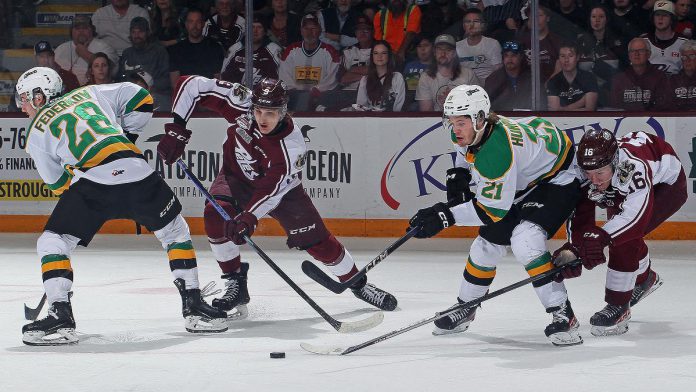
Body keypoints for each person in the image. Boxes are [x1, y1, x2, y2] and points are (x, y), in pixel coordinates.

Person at [16, 67, 227, 346]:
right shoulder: (89, 92)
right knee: (175, 231)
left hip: (93, 185)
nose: (22, 108)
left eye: (24, 99)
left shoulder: (36, 130)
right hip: (137, 171)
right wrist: (127, 137)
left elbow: (58, 184)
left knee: (53, 242)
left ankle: (60, 315)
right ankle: (194, 306)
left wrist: (78, 182)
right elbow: (141, 98)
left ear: (40, 96)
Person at [156, 76, 398, 318]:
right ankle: (235, 283)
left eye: (270, 113)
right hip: (235, 177)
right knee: (214, 214)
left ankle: (358, 284)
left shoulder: (291, 147)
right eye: (259, 111)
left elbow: (270, 191)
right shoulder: (240, 102)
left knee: (319, 243)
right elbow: (191, 84)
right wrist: (177, 129)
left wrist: (248, 217)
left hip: (283, 193)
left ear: (283, 112)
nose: (262, 118)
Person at [407, 84, 583, 346]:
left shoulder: (497, 151)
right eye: (451, 122)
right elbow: (463, 150)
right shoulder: (475, 131)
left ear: (479, 118)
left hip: (559, 178)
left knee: (526, 240)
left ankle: (563, 313)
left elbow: (491, 211)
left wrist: (444, 216)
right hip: (528, 175)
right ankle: (466, 306)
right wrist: (460, 174)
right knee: (484, 247)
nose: (455, 129)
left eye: (462, 122)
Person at [553, 128, 687, 336]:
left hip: (667, 186)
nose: (594, 180)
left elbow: (634, 218)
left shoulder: (632, 168)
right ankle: (644, 279)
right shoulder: (585, 169)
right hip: (623, 186)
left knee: (624, 237)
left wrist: (603, 238)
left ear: (615, 163)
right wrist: (575, 248)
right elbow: (580, 211)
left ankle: (619, 306)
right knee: (619, 232)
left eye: (600, 173)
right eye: (589, 173)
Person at [278, 13, 341, 111]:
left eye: (313, 28)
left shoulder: (330, 52)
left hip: (322, 99)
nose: (309, 32)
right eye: (306, 28)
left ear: (320, 30)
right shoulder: (291, 50)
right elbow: (284, 79)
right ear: (301, 31)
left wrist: (315, 91)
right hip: (294, 99)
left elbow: (332, 80)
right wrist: (298, 92)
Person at [118, 17, 171, 111]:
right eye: (133, 32)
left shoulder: (159, 51)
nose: (136, 35)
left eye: (140, 32)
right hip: (131, 96)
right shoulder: (127, 53)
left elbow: (166, 80)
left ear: (148, 33)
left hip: (156, 95)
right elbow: (121, 78)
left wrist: (147, 88)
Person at [415, 34, 480, 112]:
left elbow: (478, 106)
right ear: (434, 52)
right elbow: (426, 113)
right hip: (435, 122)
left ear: (454, 53)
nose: (443, 53)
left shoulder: (468, 74)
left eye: (448, 50)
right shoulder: (426, 77)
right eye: (439, 49)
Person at [168, 7, 225, 90]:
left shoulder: (214, 47)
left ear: (203, 24)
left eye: (198, 21)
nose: (195, 26)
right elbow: (175, 84)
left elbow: (218, 80)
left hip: (209, 96)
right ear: (186, 24)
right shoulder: (176, 50)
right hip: (186, 97)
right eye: (191, 22)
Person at [53, 15, 118, 86]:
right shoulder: (61, 49)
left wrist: (85, 53)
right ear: (71, 32)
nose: (81, 31)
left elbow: (112, 71)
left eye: (85, 28)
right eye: (77, 28)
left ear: (92, 30)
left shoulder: (103, 47)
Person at [610, 37, 670, 110]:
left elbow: (662, 107)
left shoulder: (660, 77)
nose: (636, 54)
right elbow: (615, 108)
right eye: (632, 51)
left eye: (641, 50)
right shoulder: (619, 79)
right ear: (629, 55)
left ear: (648, 54)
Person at [220, 15, 282, 86]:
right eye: (252, 27)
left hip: (264, 95)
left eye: (259, 27)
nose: (255, 31)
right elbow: (223, 76)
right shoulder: (234, 48)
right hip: (235, 94)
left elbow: (281, 78)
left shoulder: (275, 50)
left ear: (265, 31)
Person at [546, 43, 599, 111]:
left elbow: (589, 110)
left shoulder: (589, 78)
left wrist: (564, 109)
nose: (566, 60)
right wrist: (581, 102)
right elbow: (555, 111)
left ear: (577, 57)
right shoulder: (553, 82)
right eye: (562, 56)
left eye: (570, 56)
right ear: (558, 59)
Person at [455, 8, 502, 85]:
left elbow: (498, 73)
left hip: (489, 87)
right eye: (468, 22)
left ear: (483, 25)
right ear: (464, 26)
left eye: (476, 21)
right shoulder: (457, 47)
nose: (471, 25)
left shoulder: (493, 44)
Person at [355, 40, 406, 111]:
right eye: (376, 53)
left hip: (393, 119)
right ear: (372, 56)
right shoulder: (365, 80)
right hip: (371, 119)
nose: (379, 56)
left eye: (384, 53)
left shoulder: (397, 77)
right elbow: (361, 107)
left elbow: (399, 104)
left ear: (389, 55)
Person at [640, 1, 688, 75]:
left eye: (665, 15)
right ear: (653, 18)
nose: (660, 18)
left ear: (672, 19)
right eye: (657, 15)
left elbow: (689, 73)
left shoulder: (684, 42)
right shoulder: (642, 42)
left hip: (676, 84)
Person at [484, 40, 532, 110]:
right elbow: (487, 107)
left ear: (521, 57)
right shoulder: (493, 79)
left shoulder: (531, 78)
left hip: (527, 118)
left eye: (514, 55)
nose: (509, 59)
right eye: (506, 55)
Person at [668, 39, 696, 110]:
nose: (687, 60)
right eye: (684, 57)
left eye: (692, 56)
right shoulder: (673, 80)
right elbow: (667, 105)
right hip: (678, 119)